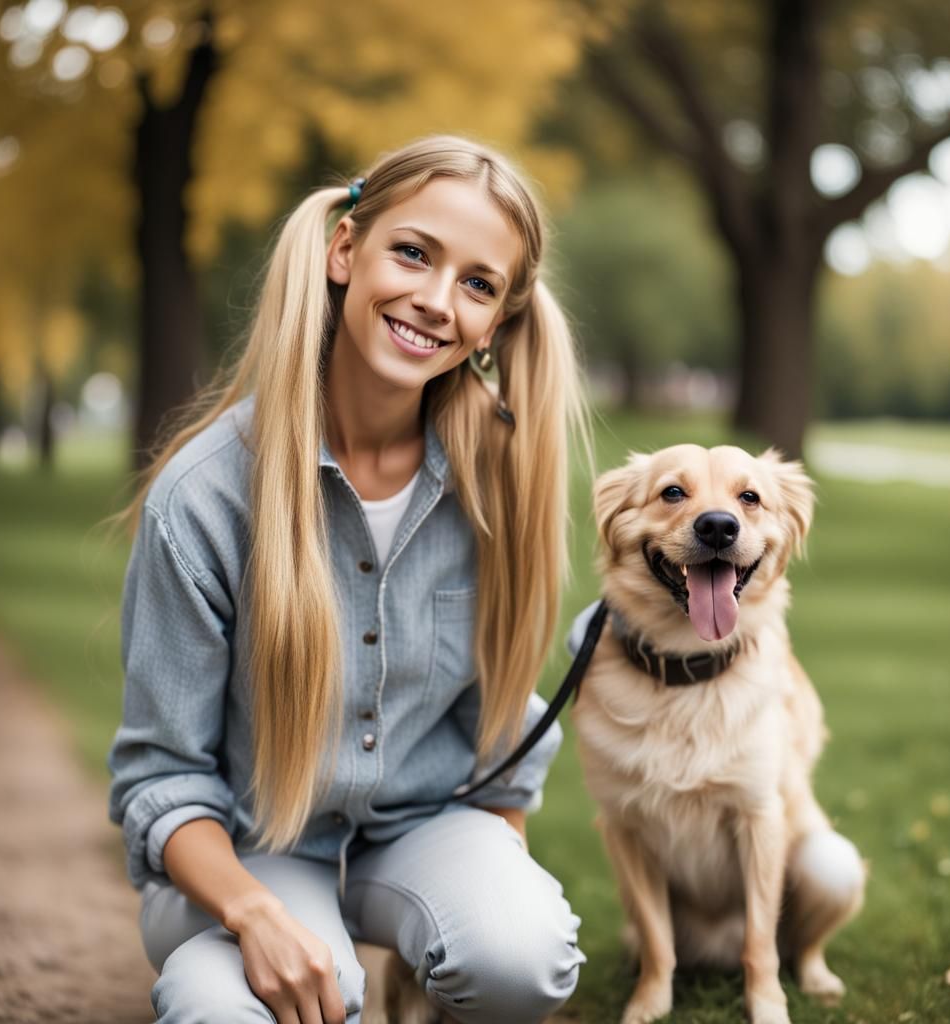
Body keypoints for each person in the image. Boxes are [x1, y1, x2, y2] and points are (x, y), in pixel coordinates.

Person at [107, 135, 590, 1024]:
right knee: (225, 1012)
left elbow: (497, 737)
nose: (436, 301)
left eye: (478, 284)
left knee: (519, 952)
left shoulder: (499, 481)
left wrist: (488, 905)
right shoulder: (206, 497)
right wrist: (255, 914)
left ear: (496, 322)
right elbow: (160, 779)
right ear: (343, 251)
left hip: (418, 827)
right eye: (413, 252)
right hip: (251, 850)